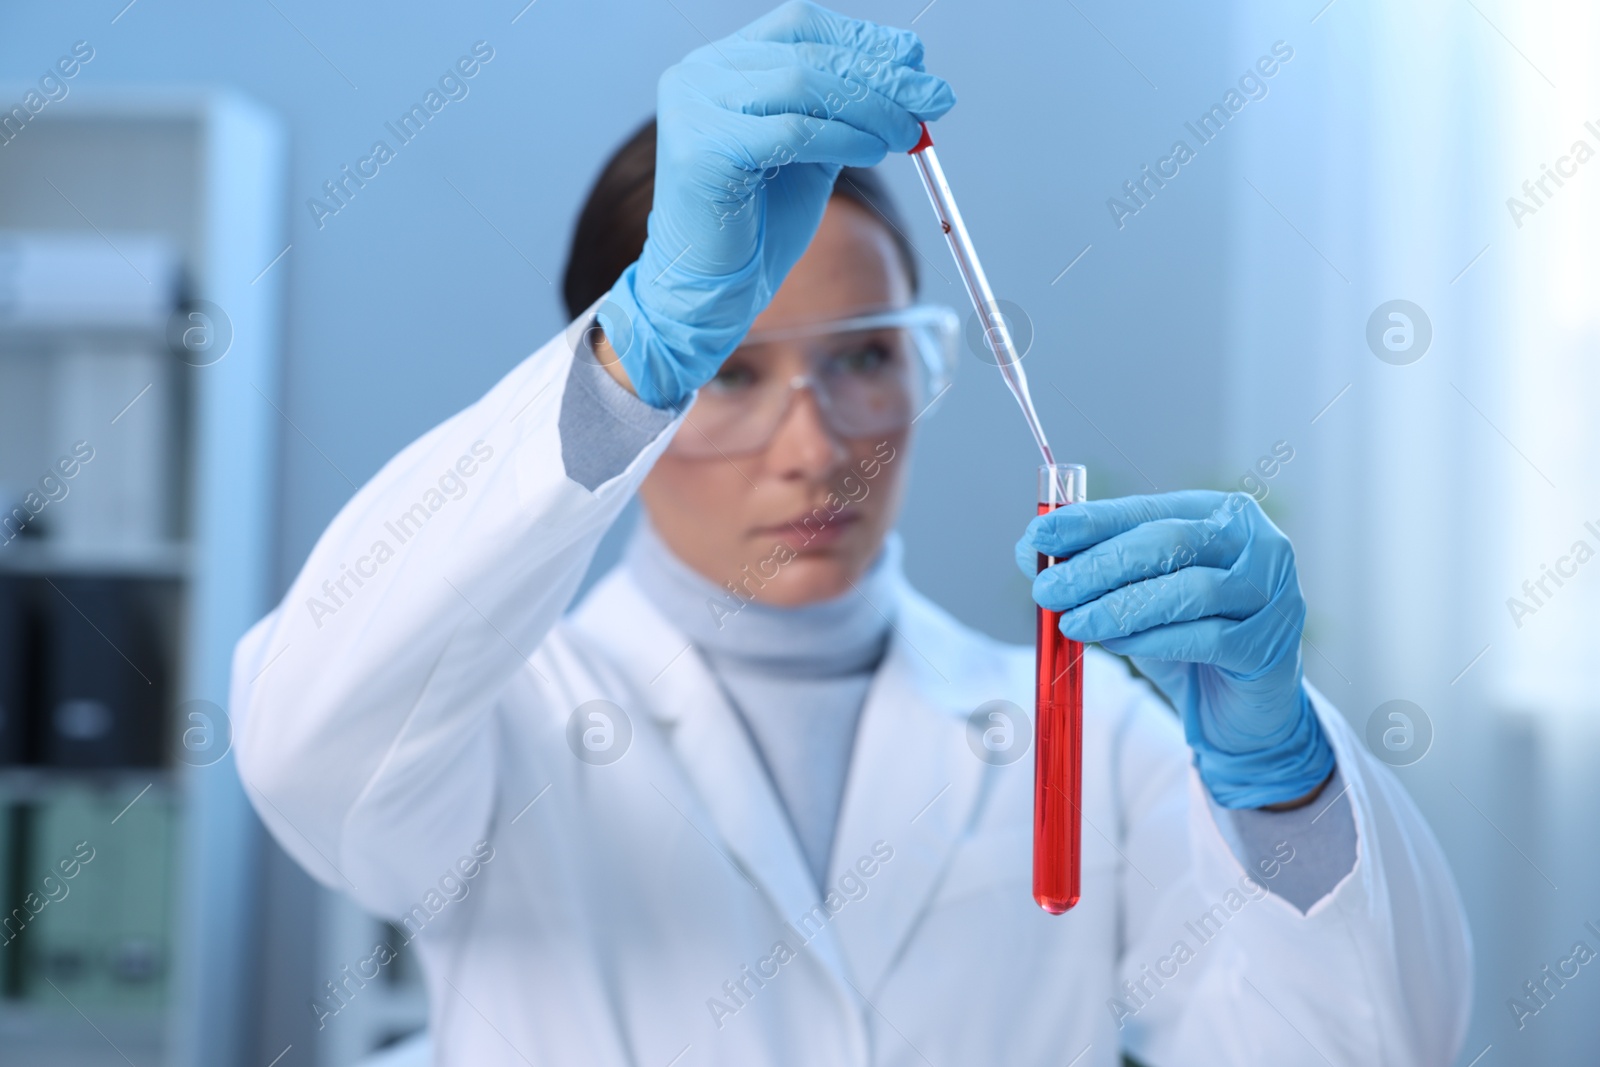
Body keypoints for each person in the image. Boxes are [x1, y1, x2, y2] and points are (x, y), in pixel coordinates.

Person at [230, 3, 1471, 1064]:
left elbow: (1357, 1044)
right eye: (722, 371)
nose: (817, 446)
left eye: (867, 357)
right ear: (631, 379)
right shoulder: (498, 725)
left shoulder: (1086, 740)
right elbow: (300, 740)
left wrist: (1286, 788)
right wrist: (643, 344)